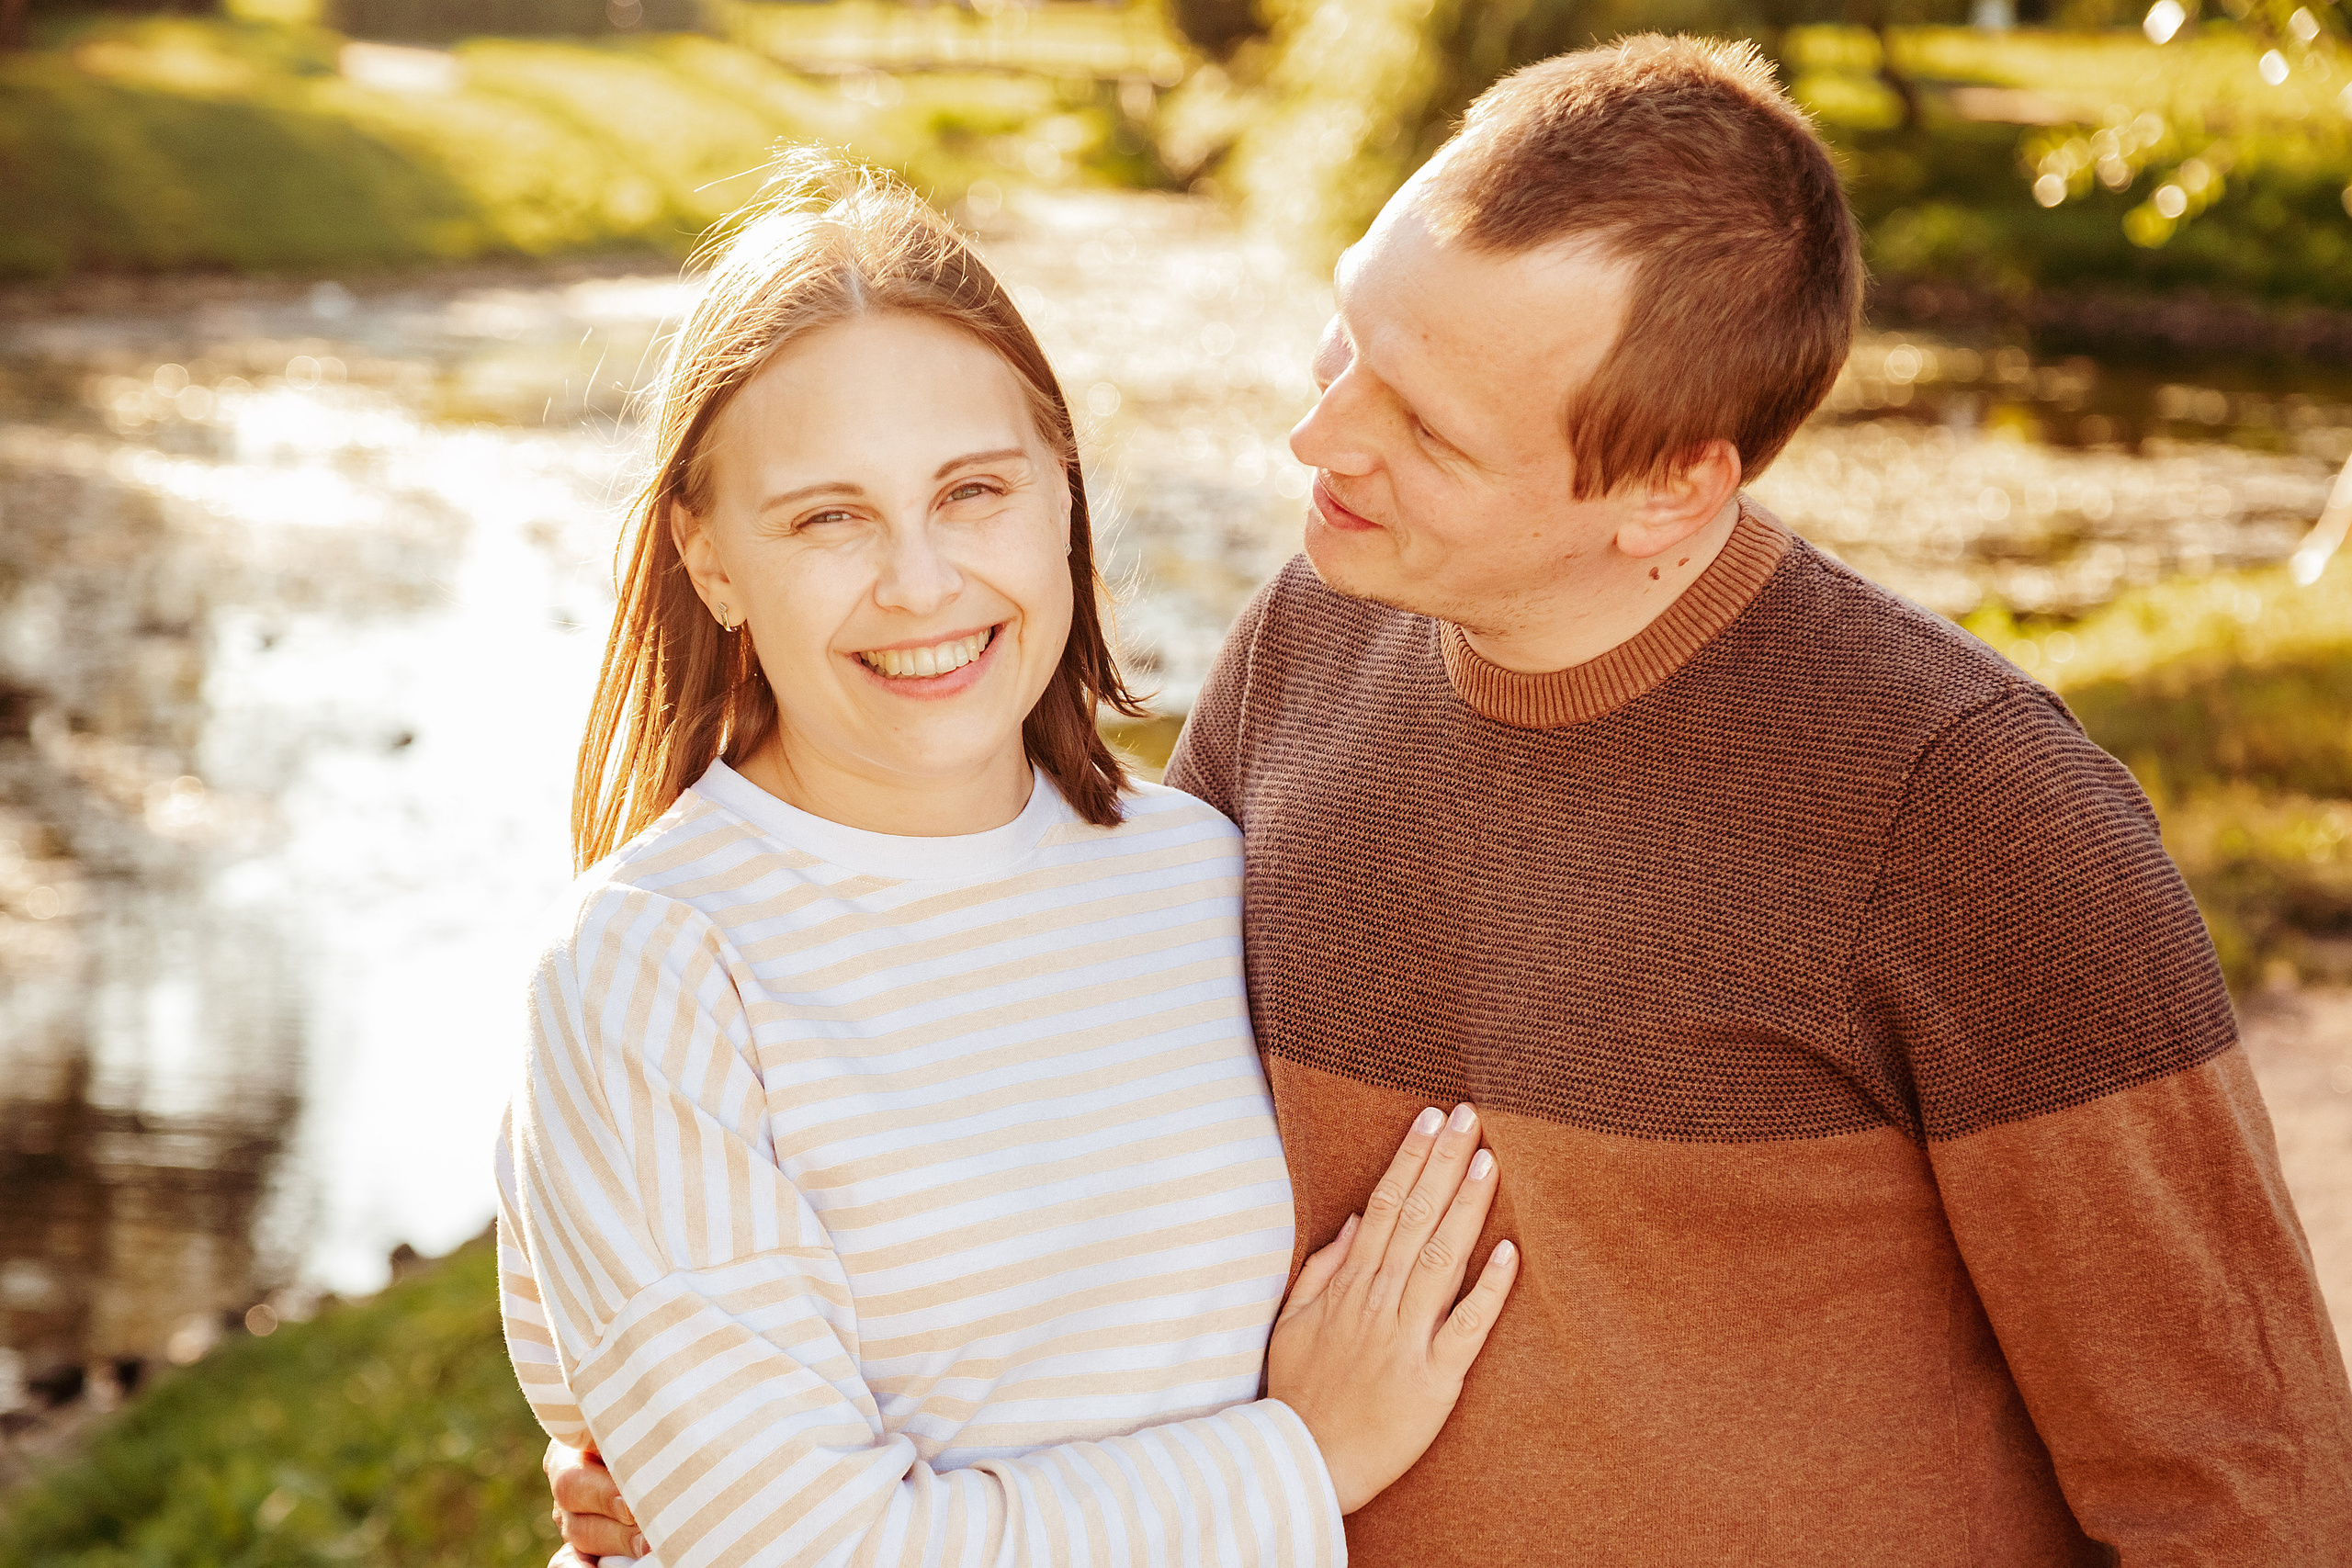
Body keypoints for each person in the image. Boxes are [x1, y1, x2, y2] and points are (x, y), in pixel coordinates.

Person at [550, 32, 2352, 1566]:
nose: (1316, 441)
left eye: (1421, 424)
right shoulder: (1305, 654)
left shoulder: (1968, 818)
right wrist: (719, 1459)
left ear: (1662, 488)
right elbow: (1051, 1106)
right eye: (1347, 340)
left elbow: (2239, 1486)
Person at [497, 159, 1523, 1568]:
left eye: (973, 491)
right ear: (711, 558)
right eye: (827, 516)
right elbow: (810, 1553)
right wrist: (1298, 1461)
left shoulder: (1204, 876)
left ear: (1062, 494)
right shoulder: (654, 970)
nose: (920, 583)